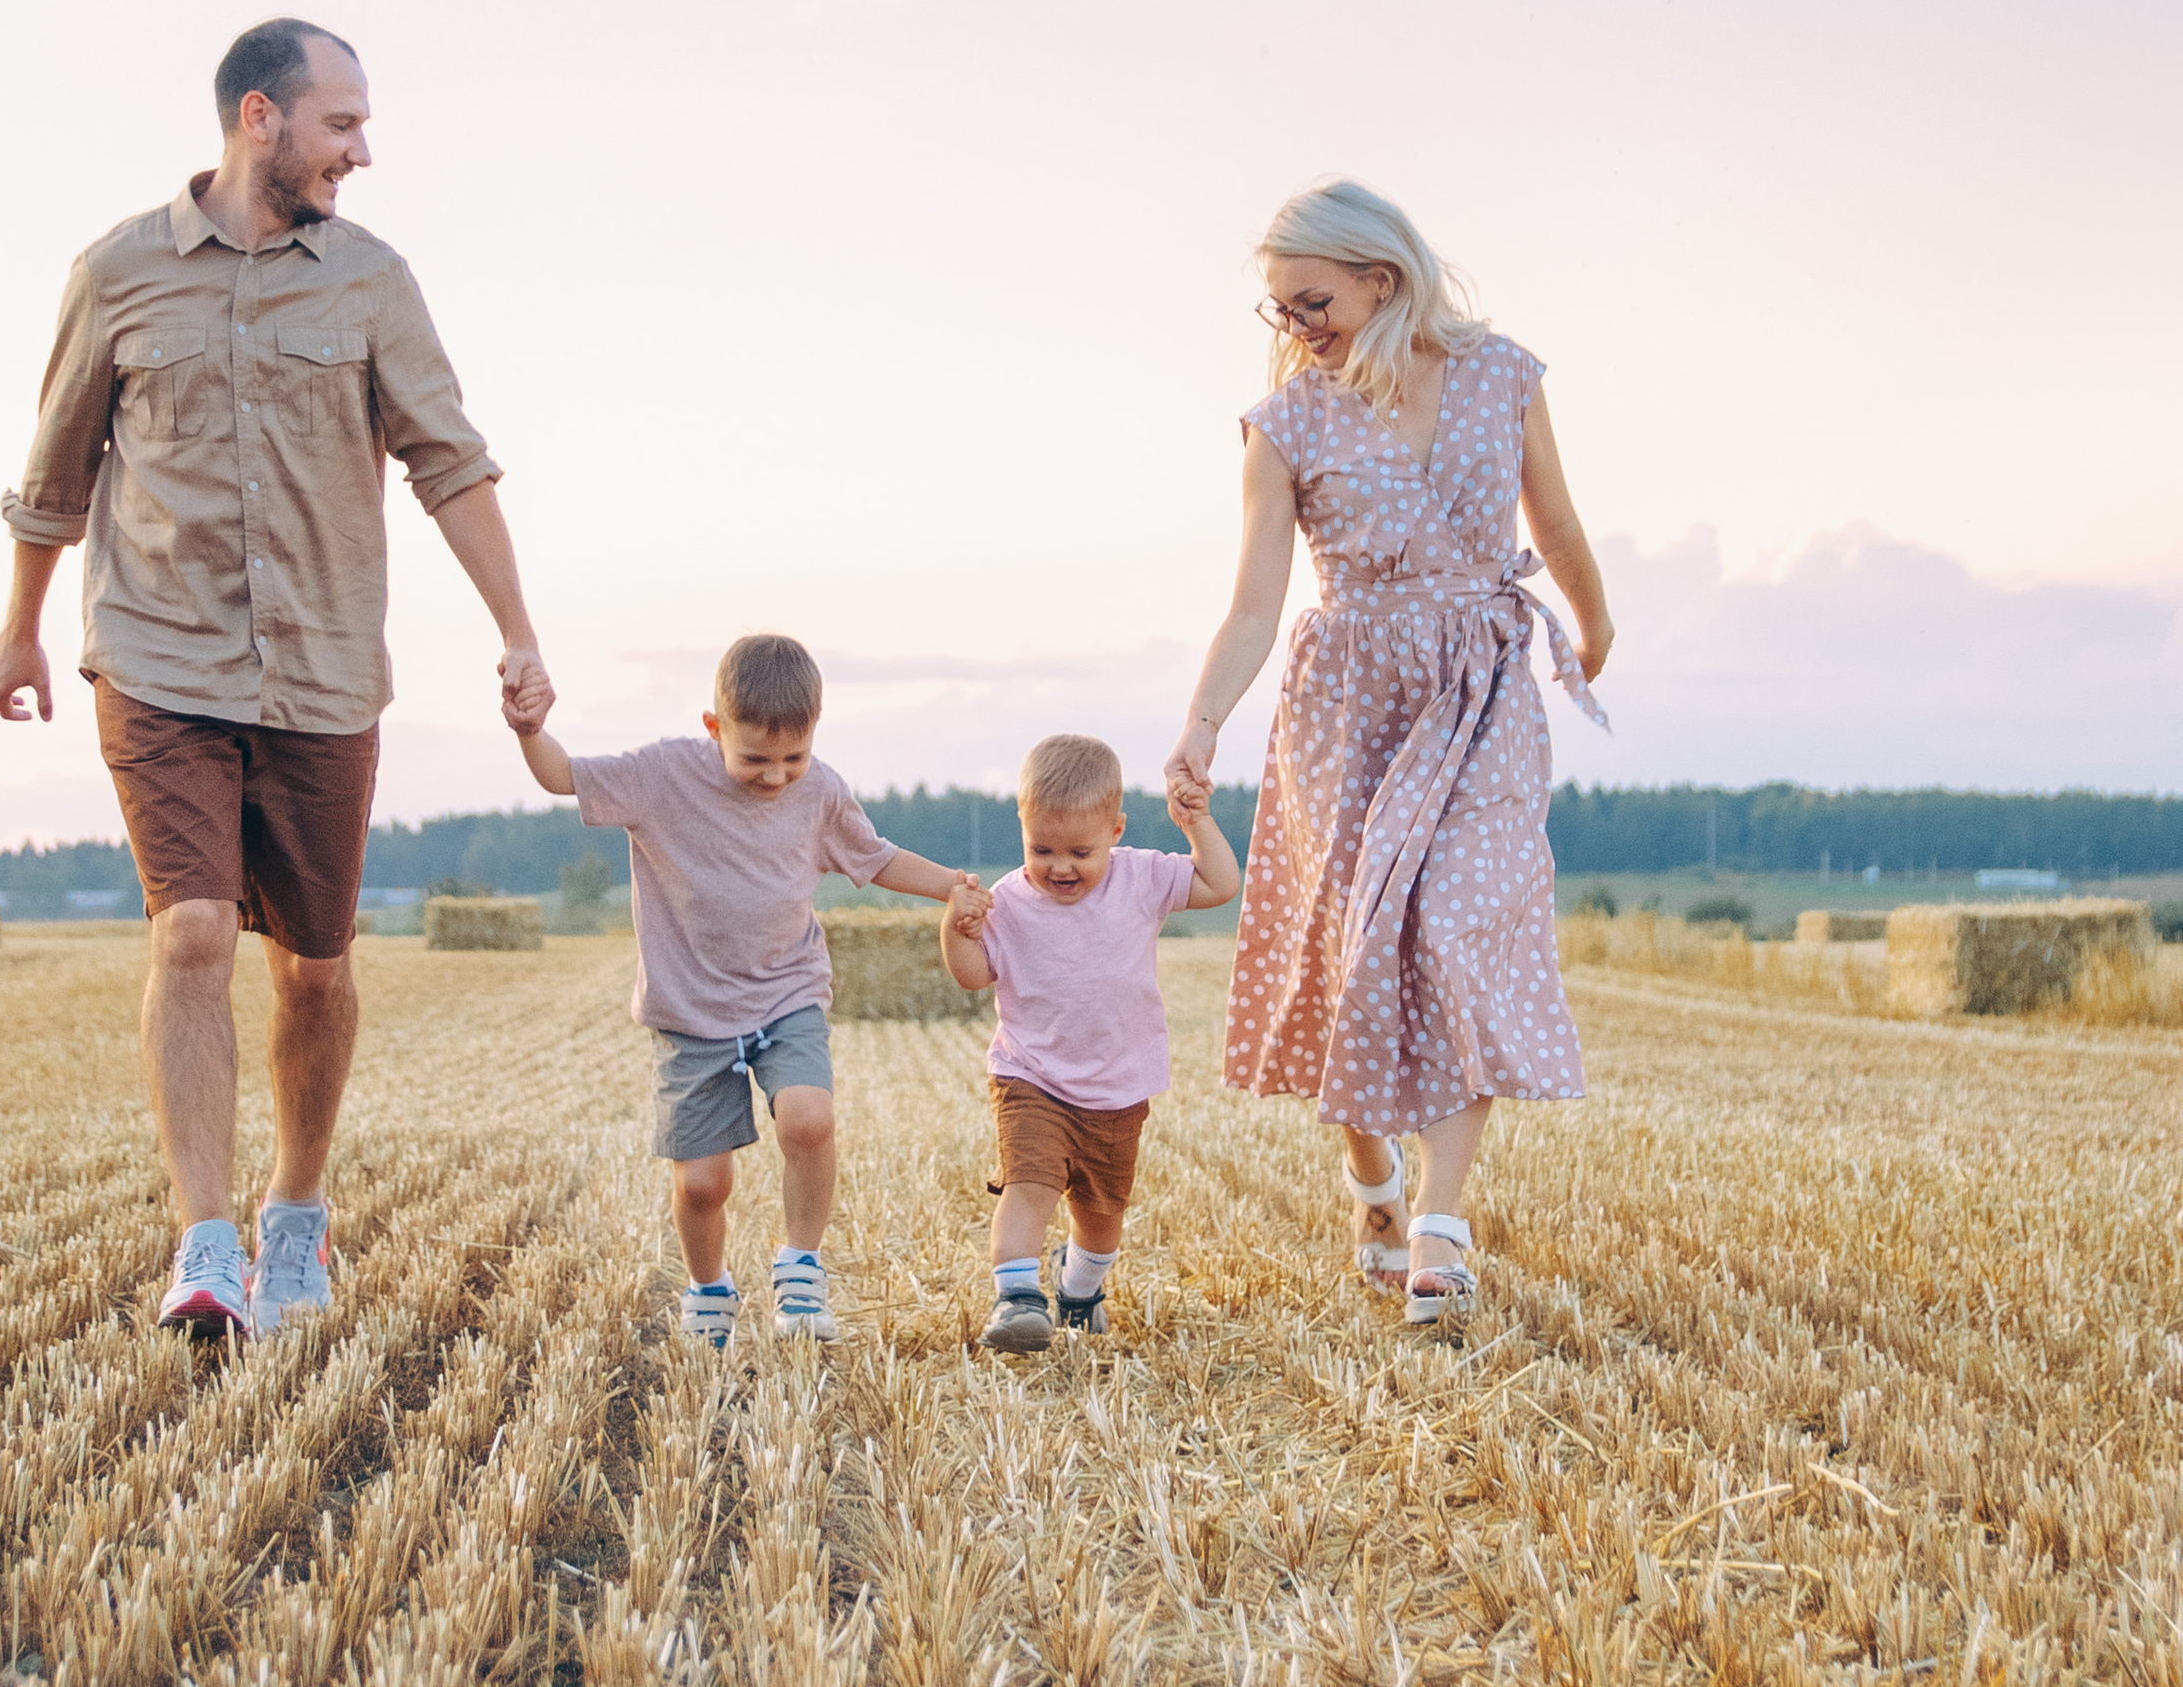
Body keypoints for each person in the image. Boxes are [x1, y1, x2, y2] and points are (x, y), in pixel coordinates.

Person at [0, 18, 552, 1344]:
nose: (362, 149)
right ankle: (204, 1242)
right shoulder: (117, 272)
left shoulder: (371, 282)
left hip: (323, 668)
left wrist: (517, 630)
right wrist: (17, 626)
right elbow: (56, 468)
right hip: (160, 653)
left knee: (316, 970)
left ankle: (295, 1211)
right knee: (186, 934)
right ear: (259, 118)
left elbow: (450, 463)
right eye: (341, 123)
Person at [1163, 178, 1612, 1324]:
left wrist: (1592, 626)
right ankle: (1370, 1176)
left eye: (1309, 300)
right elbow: (1256, 604)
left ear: (1382, 277)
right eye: (1279, 309)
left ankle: (1441, 1226)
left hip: (1480, 684)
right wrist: (1203, 723)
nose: (1294, 326)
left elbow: (1553, 522)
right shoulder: (1284, 427)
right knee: (1346, 947)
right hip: (1345, 700)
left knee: (1462, 921)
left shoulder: (1503, 376)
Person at [515, 631, 979, 1341]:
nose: (776, 777)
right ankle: (708, 1288)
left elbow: (876, 859)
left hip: (786, 993)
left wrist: (952, 887)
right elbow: (559, 775)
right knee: (704, 1184)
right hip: (689, 1012)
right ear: (714, 727)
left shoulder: (819, 790)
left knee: (808, 1120)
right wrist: (530, 729)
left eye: (794, 757)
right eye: (756, 758)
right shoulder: (660, 774)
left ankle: (800, 1269)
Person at [940, 732, 1240, 1353]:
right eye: (1040, 848)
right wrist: (956, 930)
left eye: (1080, 850)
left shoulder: (1142, 877)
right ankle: (1018, 1299)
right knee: (1029, 1184)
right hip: (1032, 1077)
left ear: (1116, 829)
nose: (1059, 866)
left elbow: (1220, 884)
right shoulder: (1010, 902)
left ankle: (1078, 1289)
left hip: (1117, 1086)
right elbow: (972, 976)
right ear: (1021, 828)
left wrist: (1198, 824)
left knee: (1101, 1218)